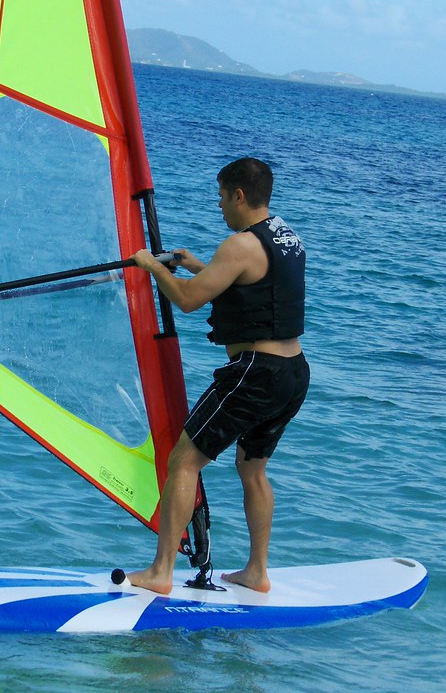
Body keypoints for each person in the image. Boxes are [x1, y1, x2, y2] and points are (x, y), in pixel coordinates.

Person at [126, 157, 309, 595]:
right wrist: (196, 266)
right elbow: (251, 290)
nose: (220, 205)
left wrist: (151, 266)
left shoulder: (239, 244)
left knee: (183, 461)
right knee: (253, 469)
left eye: (222, 196)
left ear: (239, 195)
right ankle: (257, 572)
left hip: (255, 373)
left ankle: (161, 572)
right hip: (293, 374)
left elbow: (188, 301)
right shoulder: (286, 236)